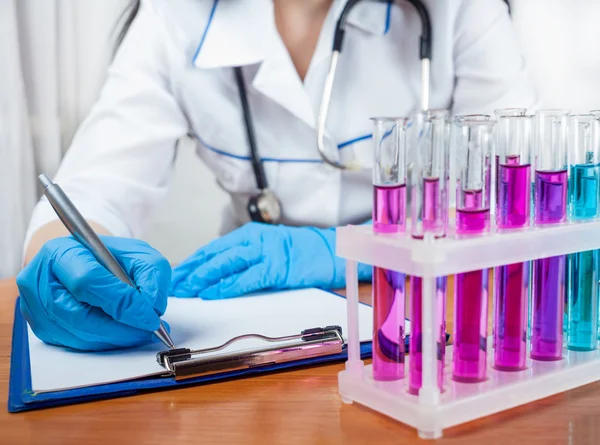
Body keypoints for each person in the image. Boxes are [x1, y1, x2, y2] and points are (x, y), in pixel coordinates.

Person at [17, 0, 539, 351]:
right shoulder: (175, 15)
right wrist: (68, 262)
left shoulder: (460, 9)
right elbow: (91, 192)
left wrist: (346, 250)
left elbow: (535, 204)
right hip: (252, 334)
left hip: (424, 324)